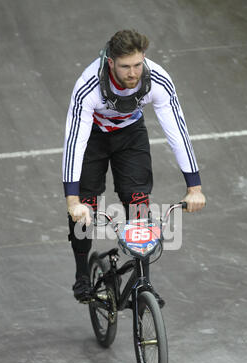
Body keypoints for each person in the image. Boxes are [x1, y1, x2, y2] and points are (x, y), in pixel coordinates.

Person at [62, 30, 206, 304]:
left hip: (130, 134)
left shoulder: (157, 79)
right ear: (111, 63)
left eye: (138, 64)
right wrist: (73, 199)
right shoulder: (88, 85)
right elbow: (74, 143)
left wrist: (194, 187)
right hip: (92, 136)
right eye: (126, 66)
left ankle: (143, 282)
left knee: (138, 202)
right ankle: (82, 276)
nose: (133, 73)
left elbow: (177, 130)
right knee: (86, 208)